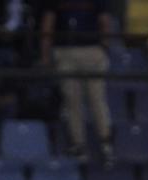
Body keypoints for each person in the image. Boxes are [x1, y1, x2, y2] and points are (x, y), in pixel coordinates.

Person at [40, 0, 114, 161]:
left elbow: (105, 22)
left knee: (96, 98)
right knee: (72, 100)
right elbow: (48, 25)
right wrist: (46, 55)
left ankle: (105, 142)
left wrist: (103, 47)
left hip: (91, 50)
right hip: (65, 50)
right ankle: (79, 144)